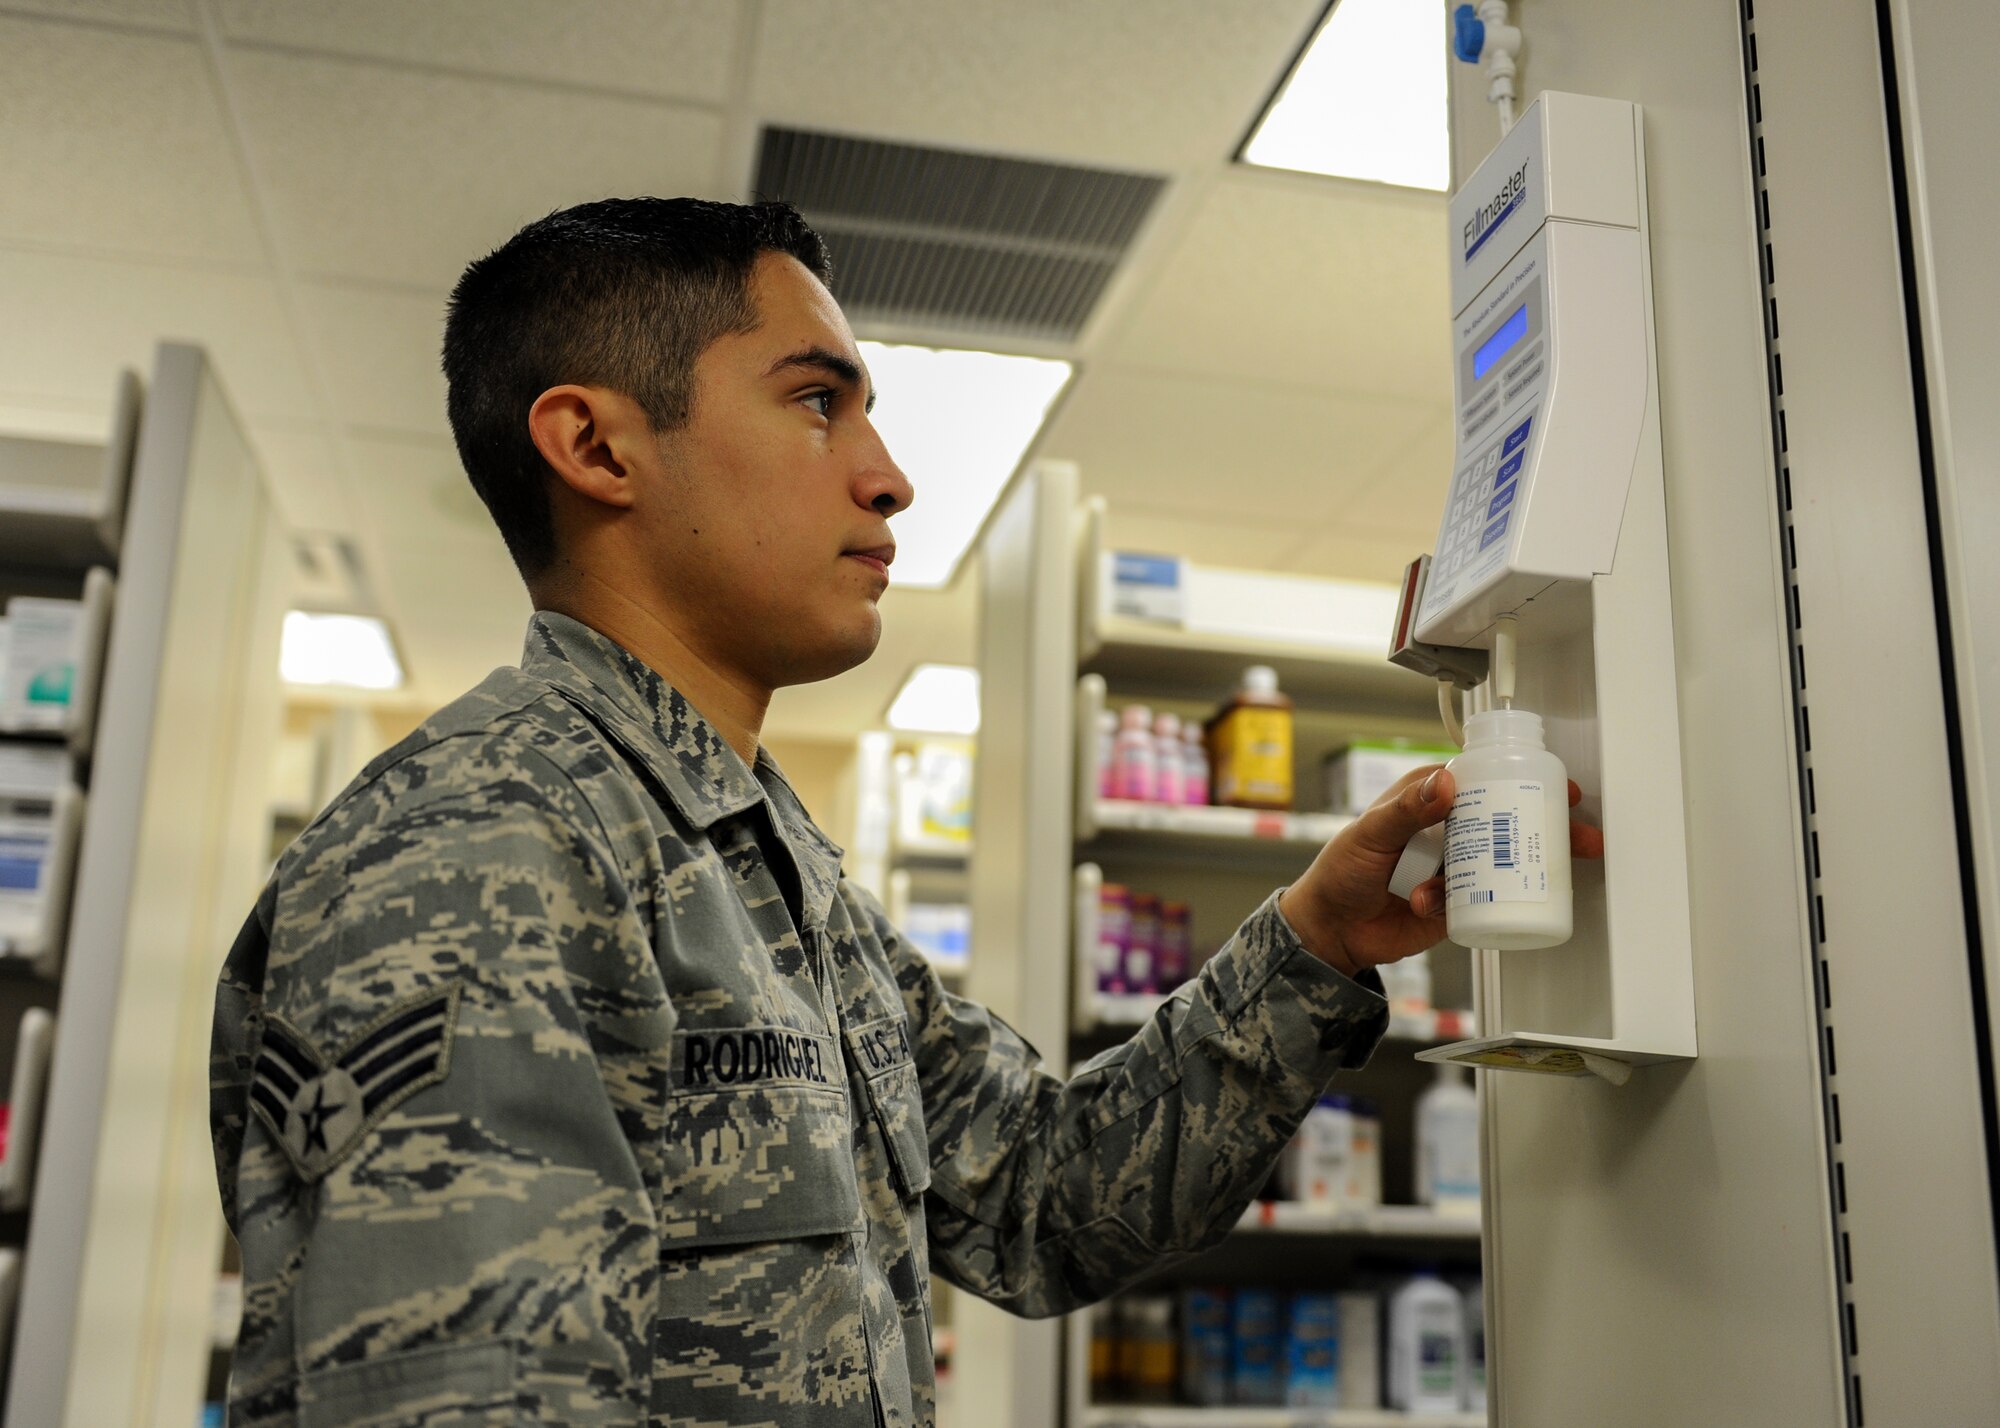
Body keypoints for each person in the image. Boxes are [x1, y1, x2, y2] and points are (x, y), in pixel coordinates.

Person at [209, 197, 1600, 1427]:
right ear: (596, 446)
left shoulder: (762, 868)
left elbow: (1053, 1200)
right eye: (819, 401)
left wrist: (1317, 940)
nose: (888, 475)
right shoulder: (479, 845)